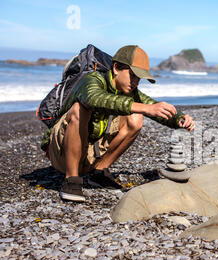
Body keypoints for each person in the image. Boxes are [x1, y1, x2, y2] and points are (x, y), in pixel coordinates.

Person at [40, 45, 195, 202]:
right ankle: (71, 180)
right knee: (80, 109)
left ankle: (99, 173)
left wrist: (179, 119)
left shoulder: (128, 90)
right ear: (116, 68)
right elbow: (94, 98)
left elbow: (153, 106)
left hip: (90, 154)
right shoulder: (92, 80)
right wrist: (146, 108)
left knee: (136, 117)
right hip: (61, 153)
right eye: (133, 75)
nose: (135, 82)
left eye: (139, 78)